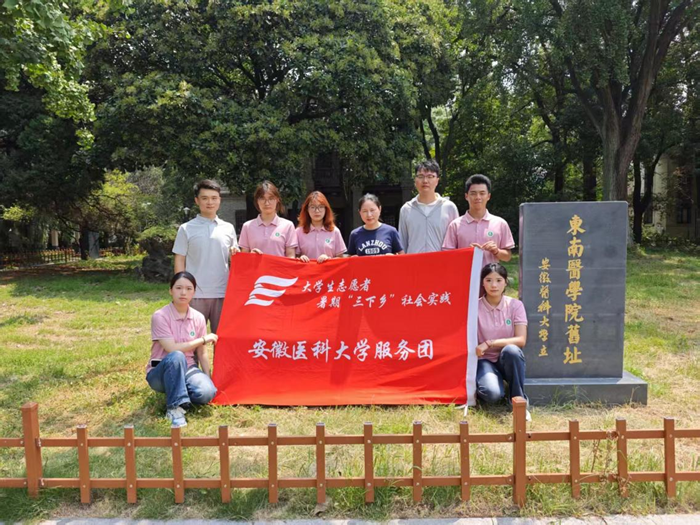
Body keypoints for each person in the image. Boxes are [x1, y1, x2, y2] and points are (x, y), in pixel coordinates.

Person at [147, 271, 218, 427]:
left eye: (188, 288)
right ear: (170, 290)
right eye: (178, 288)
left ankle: (180, 392)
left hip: (188, 368)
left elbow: (202, 352)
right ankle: (174, 409)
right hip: (161, 372)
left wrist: (208, 378)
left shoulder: (198, 317)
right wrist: (203, 339)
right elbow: (171, 348)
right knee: (177, 356)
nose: (183, 292)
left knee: (207, 392)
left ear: (194, 292)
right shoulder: (160, 316)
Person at [173, 180, 237, 334]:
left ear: (219, 200)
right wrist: (180, 288)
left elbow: (234, 260)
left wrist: (235, 253)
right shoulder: (186, 228)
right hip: (195, 293)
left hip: (223, 292)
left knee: (222, 339)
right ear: (197, 200)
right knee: (192, 339)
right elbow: (180, 259)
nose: (210, 202)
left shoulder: (228, 228)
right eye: (205, 198)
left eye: (214, 198)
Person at [475, 263, 530, 421]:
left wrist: (490, 343)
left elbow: (521, 340)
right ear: (482, 283)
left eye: (499, 280)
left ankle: (518, 401)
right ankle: (492, 383)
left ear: (506, 282)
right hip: (484, 360)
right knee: (492, 394)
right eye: (488, 280)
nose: (493, 285)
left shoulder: (515, 305)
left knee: (511, 350)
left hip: (507, 358)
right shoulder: (474, 307)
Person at [442, 174, 515, 267]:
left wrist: (497, 251)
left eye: (482, 193)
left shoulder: (500, 223)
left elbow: (507, 257)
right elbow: (447, 257)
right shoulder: (455, 225)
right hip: (465, 275)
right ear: (466, 196)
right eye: (473, 193)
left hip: (491, 275)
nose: (478, 197)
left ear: (488, 196)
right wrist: (466, 253)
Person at [399, 160, 459, 254]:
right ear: (415, 180)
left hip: (441, 262)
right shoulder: (406, 209)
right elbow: (402, 243)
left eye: (430, 176)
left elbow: (456, 241)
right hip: (414, 262)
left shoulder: (449, 208)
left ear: (437, 180)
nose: (425, 181)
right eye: (420, 176)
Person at [239, 181, 298, 258]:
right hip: (255, 266)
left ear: (277, 200)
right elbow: (244, 257)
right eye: (262, 198)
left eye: (271, 198)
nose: (267, 203)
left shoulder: (287, 226)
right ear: (257, 201)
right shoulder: (247, 226)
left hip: (279, 266)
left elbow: (291, 256)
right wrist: (251, 255)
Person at [296, 191, 347, 263]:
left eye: (320, 207)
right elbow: (293, 257)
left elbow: (341, 259)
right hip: (306, 269)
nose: (317, 211)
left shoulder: (334, 231)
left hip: (329, 270)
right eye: (313, 207)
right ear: (307, 209)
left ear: (326, 209)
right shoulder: (298, 232)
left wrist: (328, 259)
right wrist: (300, 258)